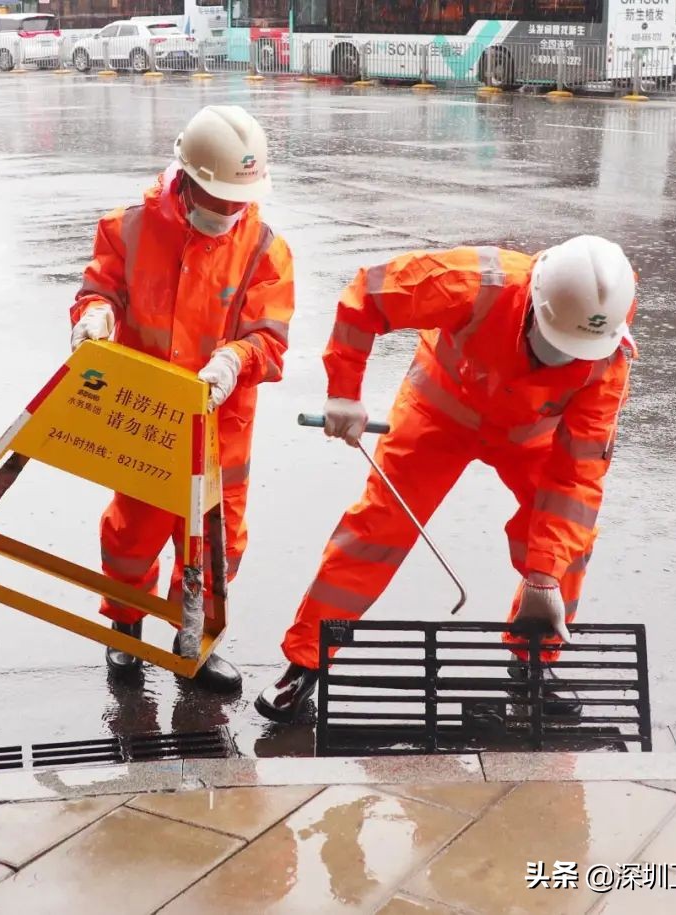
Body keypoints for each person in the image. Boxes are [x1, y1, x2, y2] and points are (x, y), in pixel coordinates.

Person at [255, 236, 637, 722]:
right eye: (548, 345)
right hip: (440, 412)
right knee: (377, 528)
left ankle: (533, 663)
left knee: (567, 541)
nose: (553, 361)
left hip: (528, 433)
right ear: (534, 304)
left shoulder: (608, 353)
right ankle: (306, 659)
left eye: (569, 354)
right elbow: (368, 294)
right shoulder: (475, 282)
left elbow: (578, 475)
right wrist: (344, 392)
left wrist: (542, 576)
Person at [71, 105, 294, 694]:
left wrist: (236, 359)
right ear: (188, 177)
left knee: (217, 547)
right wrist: (96, 317)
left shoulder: (264, 248)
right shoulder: (129, 227)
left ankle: (191, 641)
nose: (228, 212)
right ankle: (124, 631)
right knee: (131, 535)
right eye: (218, 199)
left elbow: (270, 339)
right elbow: (101, 290)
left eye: (237, 201)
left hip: (221, 429)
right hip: (143, 417)